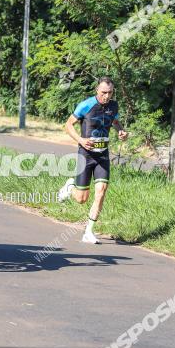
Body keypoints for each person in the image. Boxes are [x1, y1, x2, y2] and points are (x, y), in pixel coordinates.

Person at [56, 77, 128, 244]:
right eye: (103, 93)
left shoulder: (113, 106)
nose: (106, 96)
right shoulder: (86, 105)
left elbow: (115, 121)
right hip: (86, 154)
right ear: (97, 90)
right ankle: (70, 186)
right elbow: (68, 125)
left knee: (101, 191)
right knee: (81, 199)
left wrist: (121, 131)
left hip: (102, 155)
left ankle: (88, 231)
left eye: (110, 93)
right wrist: (80, 140)